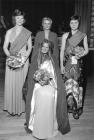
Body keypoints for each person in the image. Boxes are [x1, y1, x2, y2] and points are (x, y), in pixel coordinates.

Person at [24, 17, 70, 139]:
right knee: (33, 91)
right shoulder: (38, 34)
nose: (47, 25)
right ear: (42, 24)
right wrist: (33, 65)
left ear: (51, 24)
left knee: (59, 90)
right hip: (38, 61)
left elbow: (55, 52)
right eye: (45, 23)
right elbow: (35, 52)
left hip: (51, 61)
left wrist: (55, 67)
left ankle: (54, 120)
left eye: (49, 23)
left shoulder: (54, 35)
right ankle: (33, 121)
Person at [3, 9, 32, 116]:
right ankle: (11, 108)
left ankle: (21, 108)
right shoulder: (9, 32)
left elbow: (29, 48)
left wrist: (24, 59)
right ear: (14, 19)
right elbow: (5, 47)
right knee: (12, 84)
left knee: (21, 85)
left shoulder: (27, 32)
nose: (20, 20)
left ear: (24, 20)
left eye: (22, 18)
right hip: (12, 60)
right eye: (18, 17)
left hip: (23, 60)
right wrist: (10, 57)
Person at [60, 15, 89, 119]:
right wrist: (61, 65)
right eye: (72, 23)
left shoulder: (83, 35)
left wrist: (80, 54)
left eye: (76, 23)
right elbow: (62, 51)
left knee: (78, 85)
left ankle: (77, 108)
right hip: (67, 64)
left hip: (78, 64)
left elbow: (86, 50)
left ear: (78, 23)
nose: (73, 25)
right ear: (69, 24)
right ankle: (68, 107)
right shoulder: (65, 36)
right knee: (67, 84)